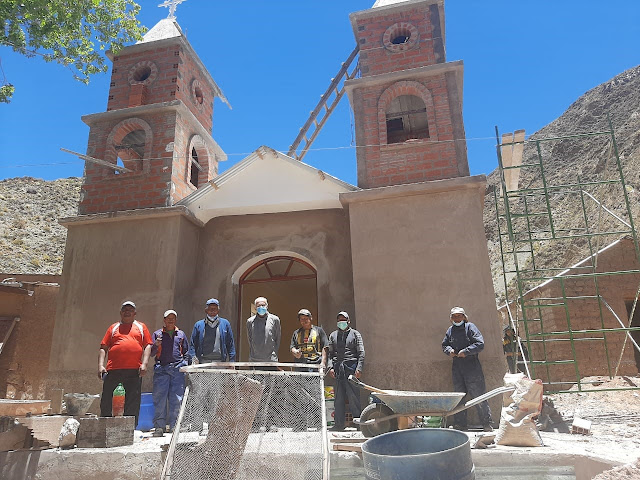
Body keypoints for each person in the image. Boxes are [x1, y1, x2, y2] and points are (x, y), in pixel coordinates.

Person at [98, 300, 153, 424]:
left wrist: (144, 364)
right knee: (107, 398)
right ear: (120, 313)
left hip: (134, 369)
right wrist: (101, 365)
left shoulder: (141, 327)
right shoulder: (113, 328)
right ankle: (104, 424)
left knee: (132, 399)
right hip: (113, 369)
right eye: (125, 310)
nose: (127, 312)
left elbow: (148, 346)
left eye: (130, 310)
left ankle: (130, 427)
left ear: (135, 313)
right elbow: (103, 347)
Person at [442, 306, 493, 432]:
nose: (457, 318)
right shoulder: (450, 330)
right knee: (459, 396)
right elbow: (445, 345)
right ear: (451, 319)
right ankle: (460, 424)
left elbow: (479, 344)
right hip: (457, 367)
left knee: (478, 395)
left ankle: (487, 423)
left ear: (464, 317)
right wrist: (450, 351)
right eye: (454, 316)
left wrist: (466, 351)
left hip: (472, 366)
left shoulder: (470, 327)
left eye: (459, 316)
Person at [150, 309, 191, 437]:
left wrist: (184, 364)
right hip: (161, 369)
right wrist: (156, 345)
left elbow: (187, 352)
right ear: (164, 320)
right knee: (159, 398)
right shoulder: (157, 334)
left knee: (177, 399)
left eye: (173, 318)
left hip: (177, 370)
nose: (171, 320)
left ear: (176, 320)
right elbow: (151, 353)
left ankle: (175, 426)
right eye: (168, 318)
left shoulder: (181, 334)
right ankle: (159, 427)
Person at [327, 311, 365, 431]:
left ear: (348, 321)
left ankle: (358, 424)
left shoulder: (355, 334)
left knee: (353, 396)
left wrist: (359, 368)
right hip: (338, 369)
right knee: (338, 398)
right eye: (339, 320)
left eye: (343, 320)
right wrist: (331, 367)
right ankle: (339, 424)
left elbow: (361, 353)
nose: (341, 322)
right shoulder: (333, 335)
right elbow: (330, 354)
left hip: (351, 368)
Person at [189, 298, 236, 364]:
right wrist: (193, 359)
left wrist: (232, 361)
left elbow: (230, 344)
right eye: (210, 309)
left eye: (215, 309)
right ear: (206, 310)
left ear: (218, 310)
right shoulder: (199, 325)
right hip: (203, 362)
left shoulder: (225, 324)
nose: (213, 311)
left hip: (220, 362)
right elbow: (192, 345)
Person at [246, 297, 281, 362]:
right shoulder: (250, 321)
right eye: (258, 306)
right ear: (255, 308)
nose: (261, 307)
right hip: (254, 360)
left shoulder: (275, 319)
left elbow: (277, 338)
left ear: (267, 306)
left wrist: (274, 353)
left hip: (271, 360)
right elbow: (250, 339)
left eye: (263, 305)